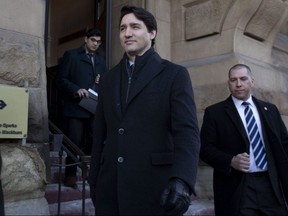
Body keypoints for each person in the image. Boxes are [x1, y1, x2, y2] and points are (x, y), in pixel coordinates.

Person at [88, 5, 200, 215]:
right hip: (110, 189)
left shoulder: (174, 74)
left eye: (135, 27)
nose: (127, 33)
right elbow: (99, 135)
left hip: (155, 189)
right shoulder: (108, 79)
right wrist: (93, 179)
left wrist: (182, 178)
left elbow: (187, 132)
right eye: (122, 28)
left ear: (152, 33)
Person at [200, 63, 288, 215]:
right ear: (229, 83)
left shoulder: (270, 109)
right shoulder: (215, 113)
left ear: (252, 81)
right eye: (233, 80)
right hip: (238, 188)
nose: (238, 84)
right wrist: (230, 161)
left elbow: (284, 144)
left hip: (271, 186)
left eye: (243, 78)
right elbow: (205, 149)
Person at [56, 27, 107, 188]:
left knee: (93, 141)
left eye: (98, 42)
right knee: (74, 141)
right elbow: (60, 80)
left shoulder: (101, 61)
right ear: (85, 39)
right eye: (93, 40)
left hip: (94, 108)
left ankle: (89, 173)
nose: (95, 44)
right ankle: (70, 175)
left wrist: (102, 81)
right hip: (76, 107)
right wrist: (76, 90)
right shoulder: (71, 55)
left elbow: (106, 83)